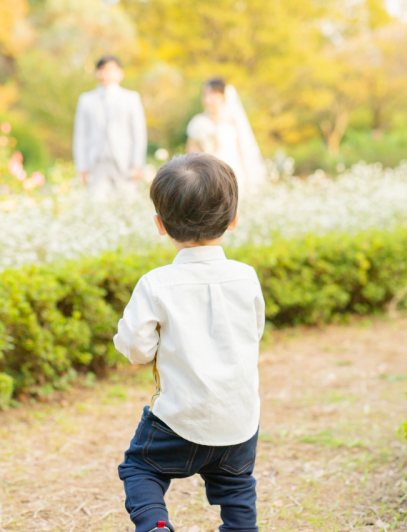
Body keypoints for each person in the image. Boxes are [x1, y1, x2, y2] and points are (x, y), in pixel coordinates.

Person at [115, 153, 265, 532]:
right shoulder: (246, 278)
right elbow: (253, 332)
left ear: (160, 224)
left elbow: (135, 348)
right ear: (233, 219)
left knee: (139, 467)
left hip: (179, 420)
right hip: (239, 421)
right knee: (237, 489)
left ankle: (155, 525)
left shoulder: (156, 284)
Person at [73, 56, 147, 194]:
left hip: (124, 162)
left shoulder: (131, 98)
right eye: (102, 70)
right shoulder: (86, 100)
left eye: (111, 70)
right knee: (96, 206)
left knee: (127, 206)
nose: (106, 74)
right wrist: (81, 166)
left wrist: (137, 164)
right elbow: (80, 135)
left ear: (120, 73)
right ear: (97, 73)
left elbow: (139, 133)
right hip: (96, 163)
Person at [186, 78, 266, 194]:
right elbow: (190, 153)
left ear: (223, 96)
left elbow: (242, 149)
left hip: (235, 174)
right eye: (205, 95)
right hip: (208, 178)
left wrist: (249, 177)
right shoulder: (198, 123)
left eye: (213, 94)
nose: (208, 100)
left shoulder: (233, 121)